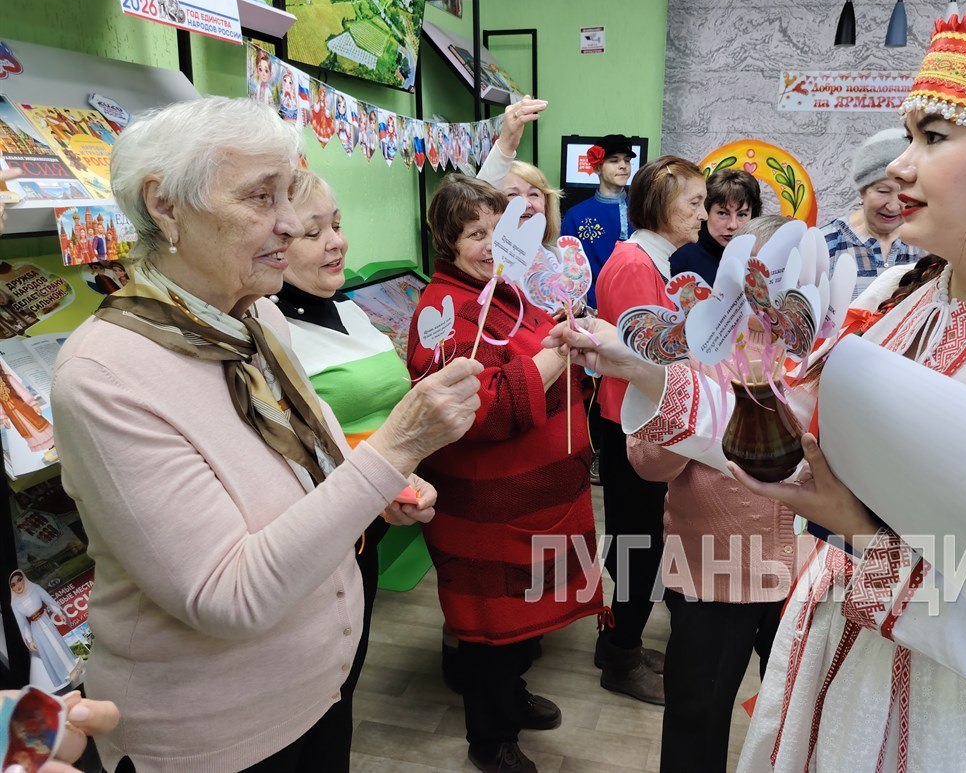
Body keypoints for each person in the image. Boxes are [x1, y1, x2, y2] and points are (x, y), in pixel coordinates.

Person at [547, 7, 966, 772]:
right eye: (909, 134)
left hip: (944, 721)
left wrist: (857, 533)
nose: (898, 166)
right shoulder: (899, 293)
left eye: (933, 137)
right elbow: (789, 436)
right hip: (820, 664)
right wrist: (648, 370)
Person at [50, 97, 483, 772]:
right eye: (260, 196)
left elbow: (311, 464)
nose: (288, 221)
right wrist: (396, 448)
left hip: (320, 695)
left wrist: (377, 489)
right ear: (165, 206)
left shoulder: (256, 318)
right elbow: (227, 595)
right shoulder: (105, 375)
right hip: (215, 738)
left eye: (288, 193)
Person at [407, 175, 603, 773]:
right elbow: (479, 409)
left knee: (524, 625)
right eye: (475, 234)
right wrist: (554, 355)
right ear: (447, 242)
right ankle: (489, 738)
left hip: (542, 504)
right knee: (491, 628)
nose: (492, 245)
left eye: (501, 229)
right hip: (489, 515)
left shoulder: (514, 291)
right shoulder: (441, 310)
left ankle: (511, 696)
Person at [626, 213, 796, 772]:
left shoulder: (819, 352)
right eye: (758, 274)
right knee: (697, 713)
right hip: (712, 569)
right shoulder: (691, 347)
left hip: (804, 573)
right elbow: (647, 464)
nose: (768, 292)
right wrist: (697, 418)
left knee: (799, 711)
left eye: (787, 275)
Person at [270, 168, 414, 726]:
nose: (337, 242)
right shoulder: (270, 331)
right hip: (320, 534)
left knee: (348, 669)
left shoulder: (347, 306)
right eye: (314, 232)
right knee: (317, 693)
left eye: (337, 224)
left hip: (369, 518)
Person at [592, 155, 708, 707]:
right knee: (637, 543)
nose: (703, 215)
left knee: (644, 540)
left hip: (648, 422)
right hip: (632, 425)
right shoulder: (636, 264)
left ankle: (622, 642)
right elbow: (641, 359)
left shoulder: (656, 260)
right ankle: (620, 655)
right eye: (695, 203)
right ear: (661, 204)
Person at [819, 128, 926, 299]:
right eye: (883, 191)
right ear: (862, 190)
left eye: (903, 193)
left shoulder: (924, 244)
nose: (893, 206)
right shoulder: (825, 243)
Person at [561, 134, 637, 308]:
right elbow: (570, 271)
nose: (623, 166)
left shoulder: (643, 210)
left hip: (637, 306)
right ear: (597, 168)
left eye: (627, 160)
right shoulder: (576, 215)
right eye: (614, 160)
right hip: (592, 308)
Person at [670, 168, 763, 284]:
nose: (732, 225)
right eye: (723, 213)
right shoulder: (679, 258)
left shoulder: (759, 257)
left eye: (742, 215)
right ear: (706, 211)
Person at [8, 570, 81, 692]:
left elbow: (48, 601)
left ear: (24, 579)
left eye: (19, 580)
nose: (18, 585)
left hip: (47, 622)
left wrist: (59, 613)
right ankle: (62, 676)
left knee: (58, 644)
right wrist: (30, 641)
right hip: (36, 630)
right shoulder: (15, 604)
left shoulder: (35, 589)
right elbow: (23, 624)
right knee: (49, 652)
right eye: (13, 584)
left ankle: (72, 667)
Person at [502, 158, 563, 249]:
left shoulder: (557, 257)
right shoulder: (484, 256)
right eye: (512, 194)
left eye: (533, 194)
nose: (526, 204)